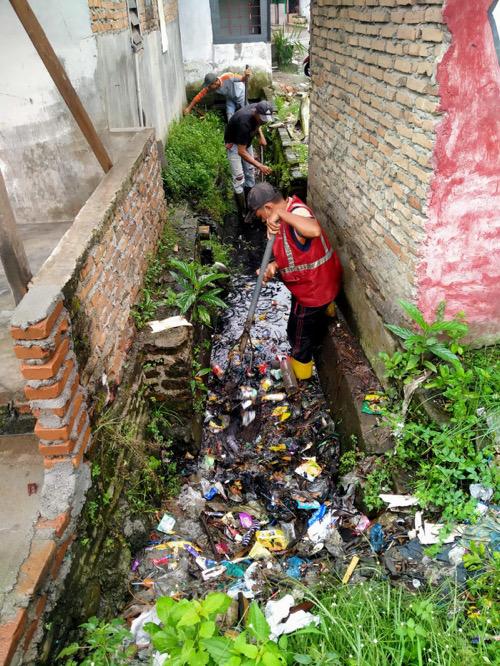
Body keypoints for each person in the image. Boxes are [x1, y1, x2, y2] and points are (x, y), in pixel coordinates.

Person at [247, 182, 342, 380]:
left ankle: (301, 375)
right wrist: (273, 266)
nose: (263, 221)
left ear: (268, 208)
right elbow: (294, 254)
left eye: (261, 216)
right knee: (293, 328)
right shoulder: (283, 219)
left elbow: (313, 229)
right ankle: (326, 312)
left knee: (299, 339)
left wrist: (281, 215)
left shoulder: (296, 213)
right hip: (312, 286)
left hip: (315, 289)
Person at [224, 101, 274, 219]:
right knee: (239, 178)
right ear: (255, 113)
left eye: (265, 120)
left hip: (246, 141)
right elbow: (241, 152)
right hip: (234, 144)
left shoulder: (257, 108)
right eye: (262, 119)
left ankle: (251, 205)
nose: (263, 121)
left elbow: (258, 123)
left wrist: (260, 136)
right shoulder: (244, 123)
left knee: (250, 174)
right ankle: (243, 212)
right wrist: (260, 166)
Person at [184, 69, 251, 120]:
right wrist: (189, 108)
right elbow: (199, 96)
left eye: (209, 86)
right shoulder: (210, 87)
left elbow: (243, 79)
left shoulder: (227, 77)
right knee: (229, 116)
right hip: (230, 97)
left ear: (215, 82)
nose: (208, 88)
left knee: (247, 112)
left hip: (240, 95)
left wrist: (246, 75)